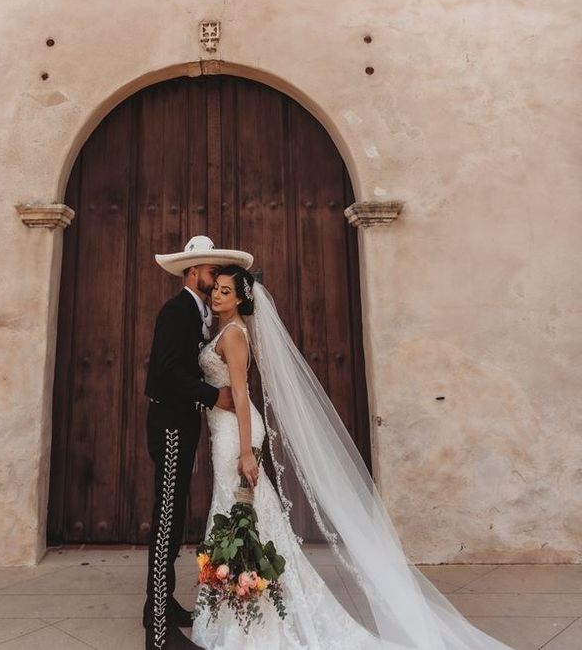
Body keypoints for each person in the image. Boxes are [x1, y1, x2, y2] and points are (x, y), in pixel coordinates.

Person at [192, 265, 516, 650]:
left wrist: (247, 451)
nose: (216, 296)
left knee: (240, 513)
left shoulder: (233, 335)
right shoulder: (226, 332)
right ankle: (239, 607)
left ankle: (249, 619)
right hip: (224, 433)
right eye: (215, 290)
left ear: (241, 298)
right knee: (243, 516)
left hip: (235, 436)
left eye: (225, 292)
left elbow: (243, 396)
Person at [144, 236, 253, 650]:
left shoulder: (199, 314)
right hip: (171, 424)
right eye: (211, 272)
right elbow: (164, 373)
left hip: (183, 425)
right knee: (166, 520)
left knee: (172, 519)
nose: (215, 279)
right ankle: (157, 631)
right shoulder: (177, 312)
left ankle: (165, 605)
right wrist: (212, 396)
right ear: (194, 273)